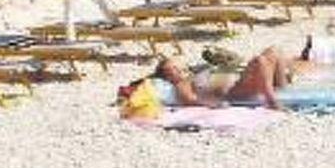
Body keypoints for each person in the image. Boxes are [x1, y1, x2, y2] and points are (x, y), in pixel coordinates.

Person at [119, 47, 312, 114]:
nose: (177, 69)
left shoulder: (192, 75)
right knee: (260, 61)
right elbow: (190, 100)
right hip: (236, 90)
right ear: (167, 76)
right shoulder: (181, 85)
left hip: (242, 81)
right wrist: (215, 104)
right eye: (172, 69)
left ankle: (283, 89)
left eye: (176, 66)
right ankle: (272, 102)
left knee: (274, 51)